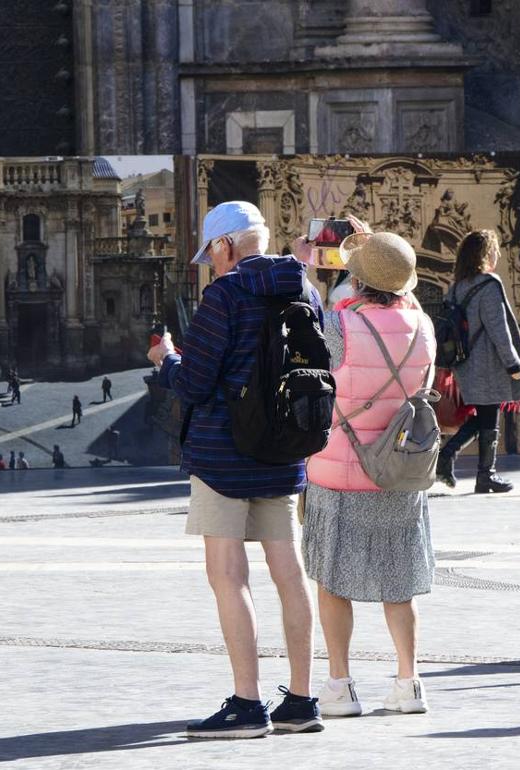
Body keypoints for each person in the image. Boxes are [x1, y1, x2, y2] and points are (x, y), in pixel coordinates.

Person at [147, 201, 322, 738]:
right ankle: (300, 699)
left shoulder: (223, 295)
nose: (210, 264)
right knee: (289, 573)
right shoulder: (305, 289)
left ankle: (247, 705)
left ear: (225, 246)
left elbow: (196, 383)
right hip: (284, 451)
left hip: (224, 456)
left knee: (228, 575)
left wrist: (166, 359)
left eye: (211, 253)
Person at [299, 227, 438, 717]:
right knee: (398, 583)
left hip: (338, 472)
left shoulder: (337, 327)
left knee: (333, 580)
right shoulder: (424, 326)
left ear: (356, 280)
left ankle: (340, 686)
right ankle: (409, 682)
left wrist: (306, 269)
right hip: (399, 469)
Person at [435, 230, 520, 494]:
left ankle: (468, 467)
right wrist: (512, 364)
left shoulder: (457, 288)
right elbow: (498, 328)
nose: (498, 254)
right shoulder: (488, 285)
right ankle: (480, 473)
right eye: (495, 250)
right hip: (486, 361)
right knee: (489, 416)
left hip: (464, 363)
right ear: (486, 254)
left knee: (485, 416)